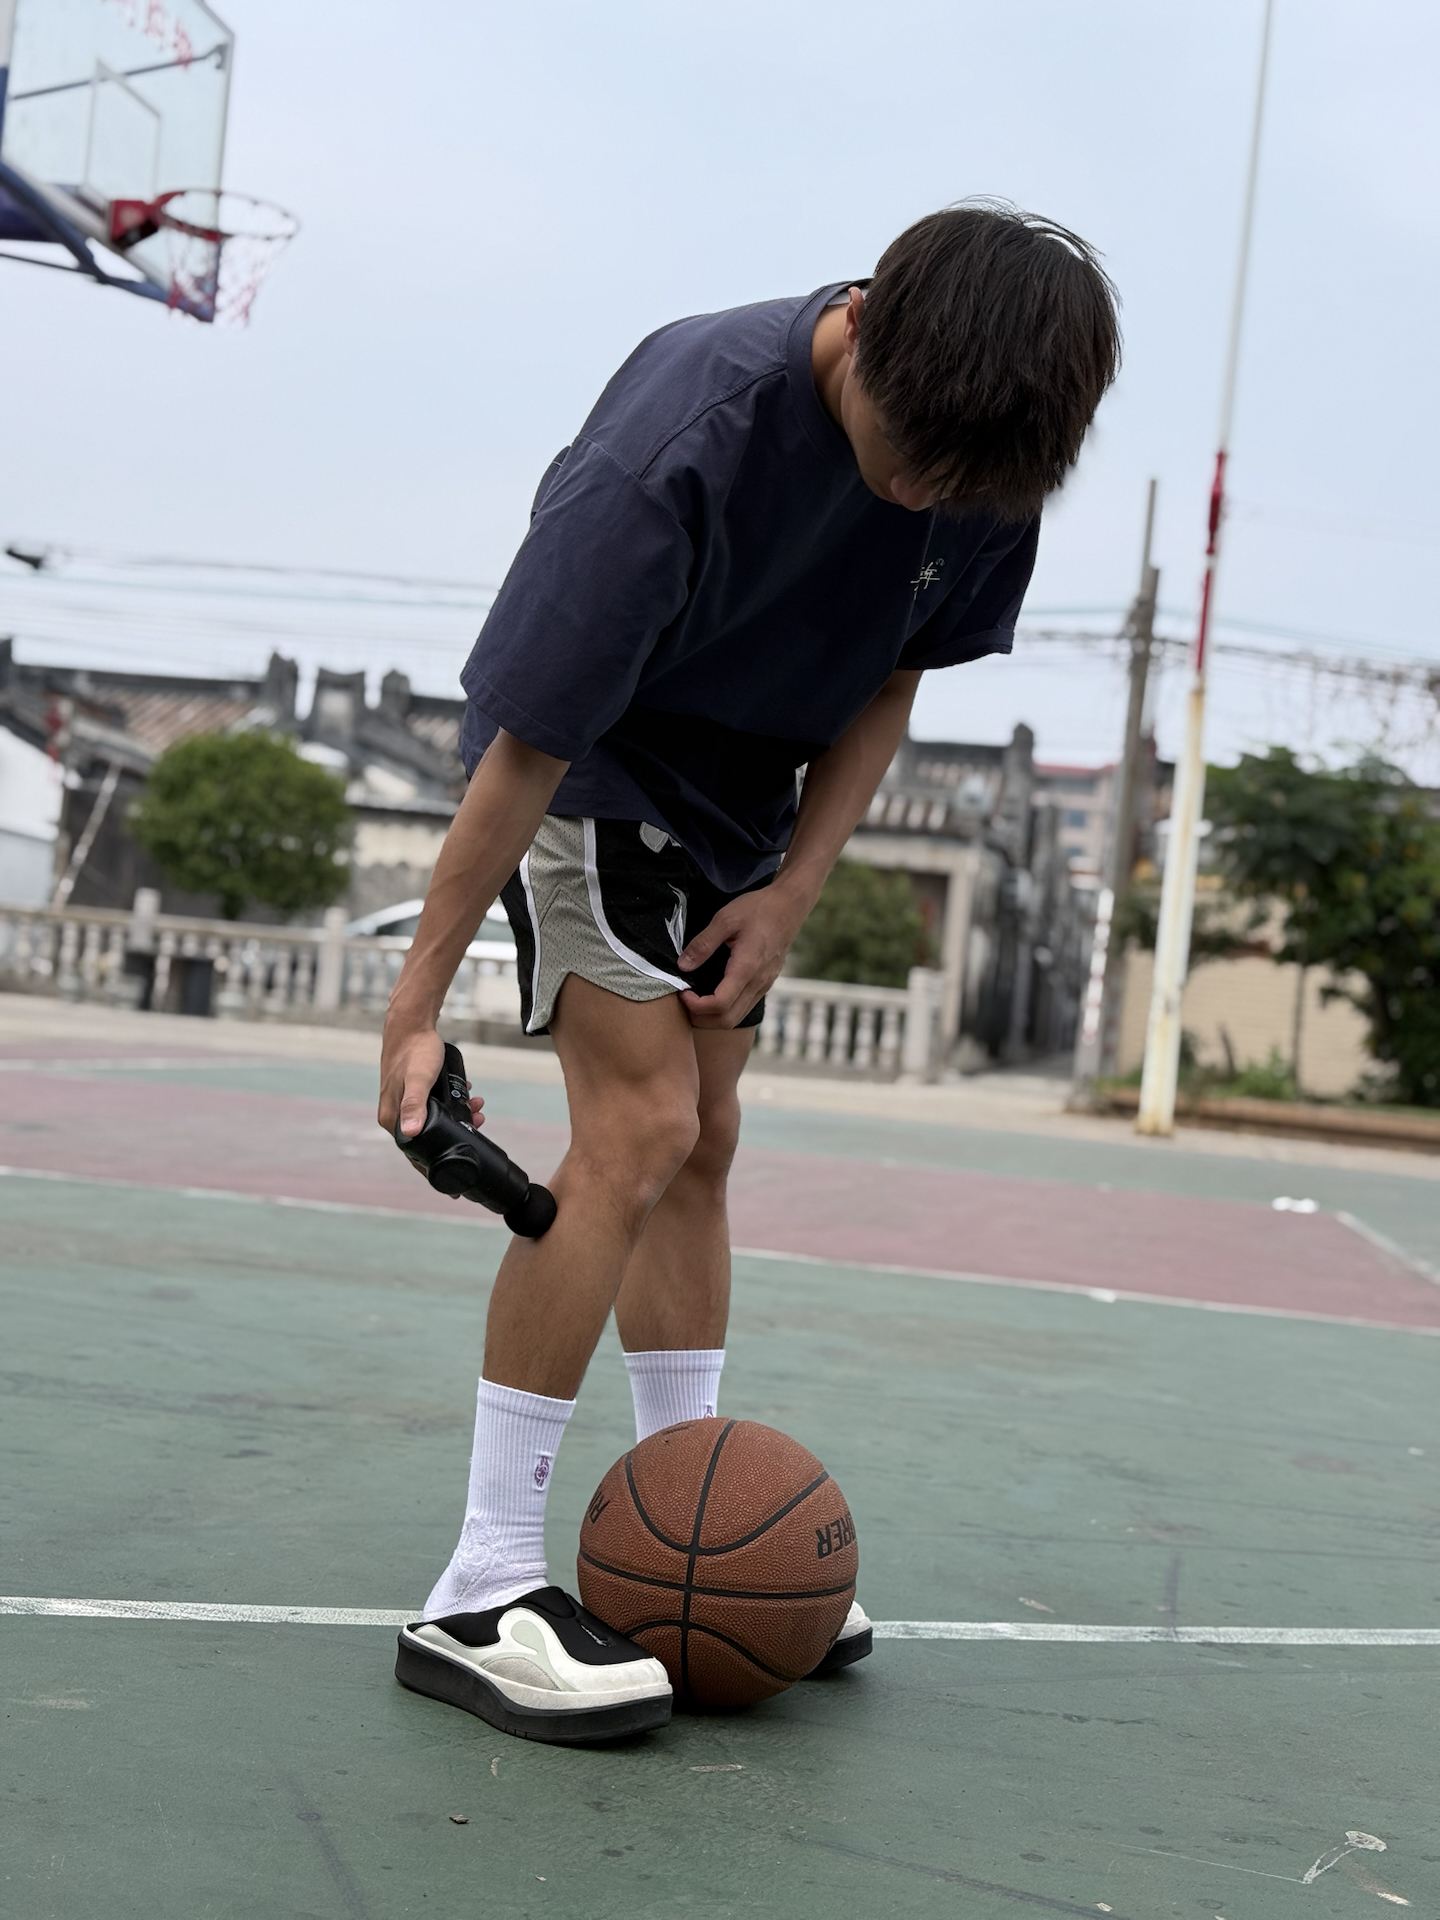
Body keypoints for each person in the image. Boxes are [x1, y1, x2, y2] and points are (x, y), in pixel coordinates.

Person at [380, 201, 1120, 1744]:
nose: (919, 493)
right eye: (900, 453)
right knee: (640, 1126)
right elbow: (526, 740)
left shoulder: (985, 446)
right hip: (596, 773)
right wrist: (416, 996)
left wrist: (792, 891)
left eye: (952, 482)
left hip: (747, 807)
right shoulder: (678, 447)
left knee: (708, 1142)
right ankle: (478, 1585)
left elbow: (891, 688)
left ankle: (686, 1515)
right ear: (857, 328)